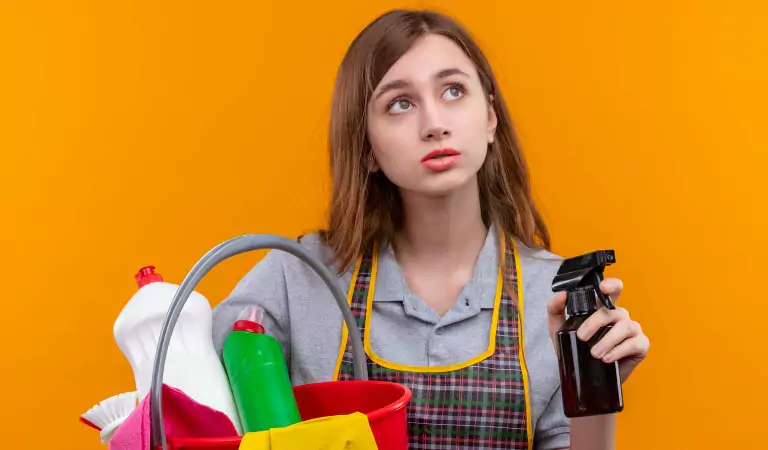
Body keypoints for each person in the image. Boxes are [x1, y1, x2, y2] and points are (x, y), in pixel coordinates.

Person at [212, 8, 649, 449]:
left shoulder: (552, 296)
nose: (435, 124)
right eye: (400, 103)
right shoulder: (297, 279)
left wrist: (595, 389)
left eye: (454, 91)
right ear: (366, 148)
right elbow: (192, 402)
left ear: (491, 117)